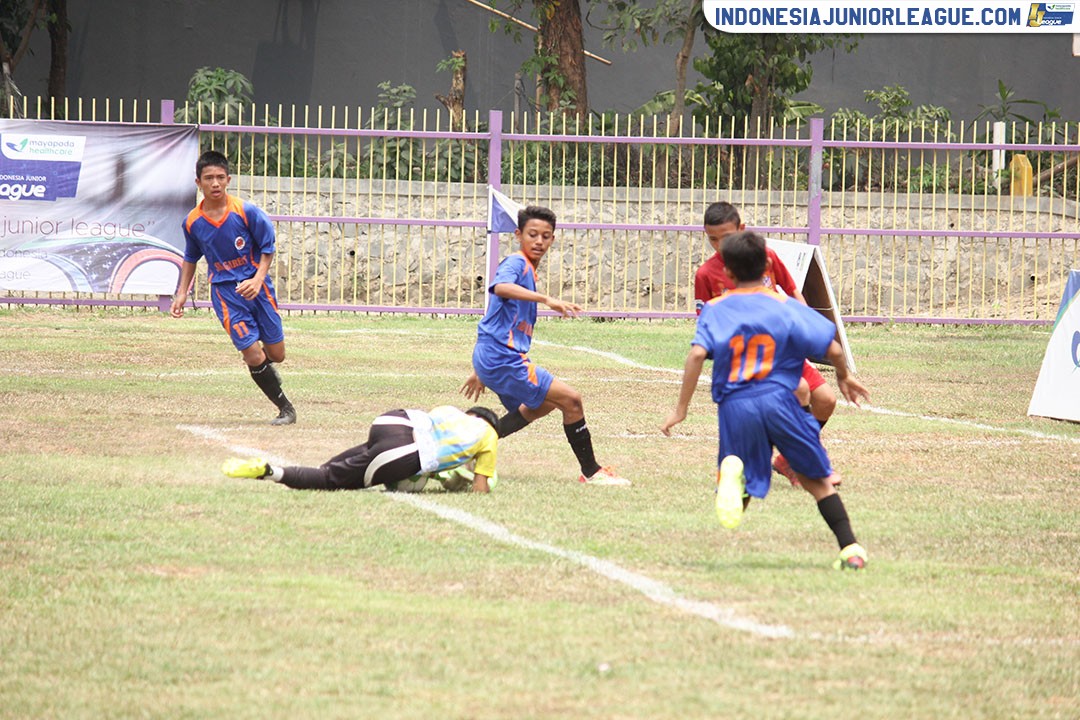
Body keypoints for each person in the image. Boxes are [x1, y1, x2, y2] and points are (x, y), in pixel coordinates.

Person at [662, 231, 870, 570]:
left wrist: (680, 409)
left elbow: (698, 354)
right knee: (817, 481)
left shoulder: (715, 308)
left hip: (735, 405)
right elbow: (832, 346)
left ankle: (734, 477)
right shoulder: (783, 304)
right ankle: (851, 549)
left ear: (727, 273)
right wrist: (844, 376)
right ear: (769, 264)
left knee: (739, 467)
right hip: (780, 399)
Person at [460, 205, 630, 486]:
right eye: (532, 235)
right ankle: (591, 472)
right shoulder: (516, 263)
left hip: (492, 356)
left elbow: (498, 318)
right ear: (518, 235)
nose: (539, 241)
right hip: (501, 357)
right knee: (571, 400)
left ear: (552, 238)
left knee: (543, 405)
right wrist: (547, 300)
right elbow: (500, 287)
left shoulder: (528, 269)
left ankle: (472, 446)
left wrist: (481, 369)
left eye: (546, 236)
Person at [695, 201, 838, 486]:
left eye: (726, 237)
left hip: (783, 350)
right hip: (748, 362)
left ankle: (786, 459)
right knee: (794, 393)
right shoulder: (706, 275)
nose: (719, 245)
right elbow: (706, 324)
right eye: (712, 239)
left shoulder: (766, 257)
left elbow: (794, 293)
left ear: (741, 230)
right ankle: (804, 460)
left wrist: (804, 328)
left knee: (827, 401)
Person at [170, 150, 296, 426]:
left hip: (258, 288)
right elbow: (191, 257)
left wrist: (258, 279)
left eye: (219, 177)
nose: (214, 183)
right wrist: (181, 293)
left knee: (277, 355)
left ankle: (261, 363)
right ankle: (285, 408)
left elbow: (267, 248)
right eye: (208, 178)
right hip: (226, 294)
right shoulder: (192, 221)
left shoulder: (246, 211)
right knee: (252, 353)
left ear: (228, 179)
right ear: (198, 183)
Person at [221, 405, 500, 493]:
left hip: (393, 421)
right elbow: (479, 487)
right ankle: (270, 472)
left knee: (332, 468)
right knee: (331, 481)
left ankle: (309, 472)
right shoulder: (489, 437)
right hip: (405, 451)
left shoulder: (452, 411)